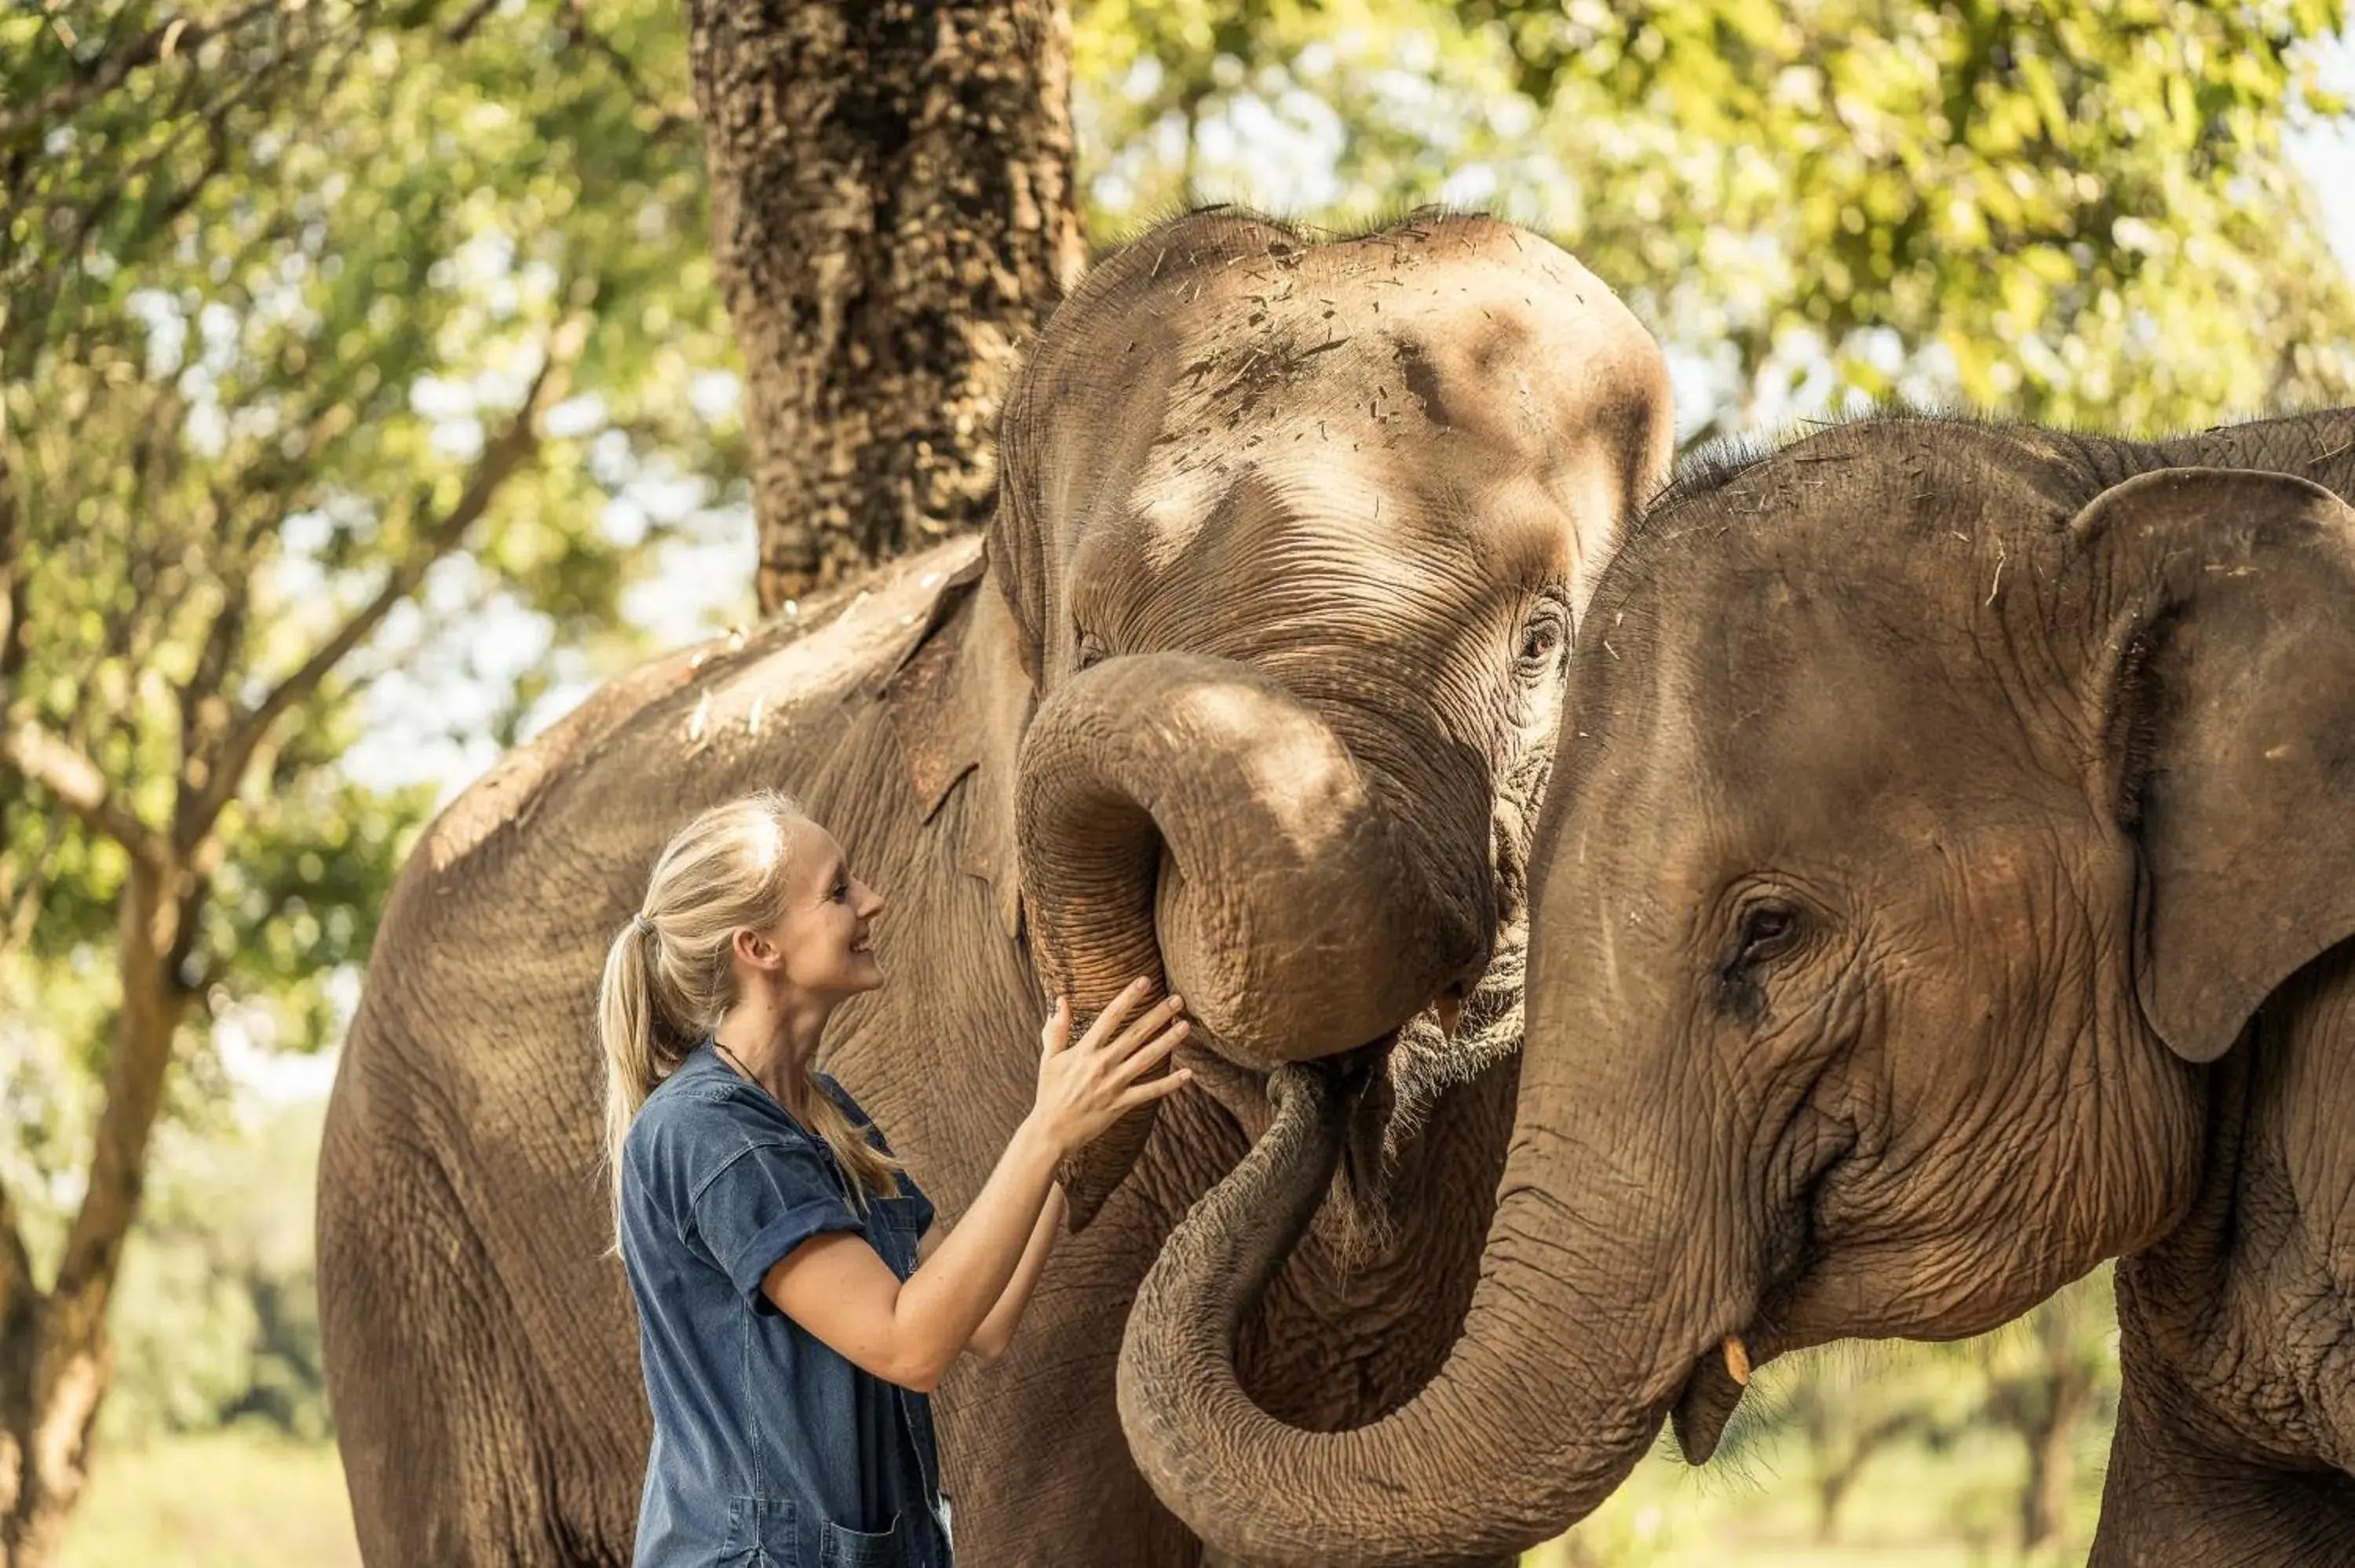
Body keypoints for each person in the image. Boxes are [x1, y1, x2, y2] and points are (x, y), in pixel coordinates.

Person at [597, 789, 1192, 1566]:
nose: (872, 903)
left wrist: (1067, 1139)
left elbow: (982, 1321)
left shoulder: (822, 1112)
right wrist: (1044, 1134)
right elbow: (908, 1346)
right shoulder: (711, 1136)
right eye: (839, 891)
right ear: (760, 948)